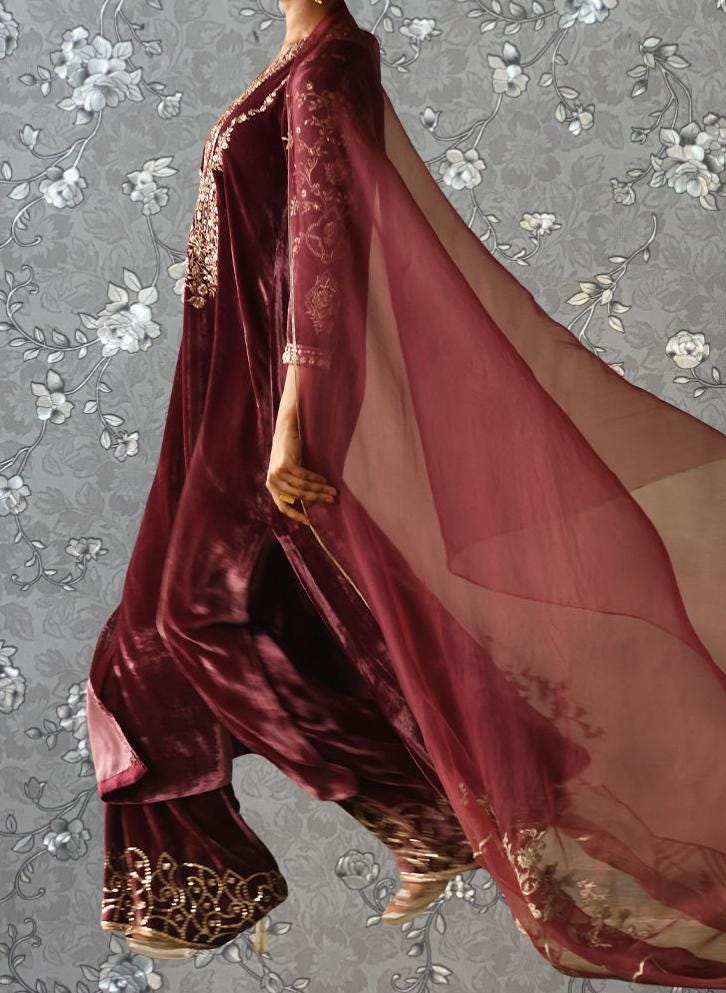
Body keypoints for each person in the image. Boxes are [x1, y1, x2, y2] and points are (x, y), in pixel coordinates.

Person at [85, 0, 726, 983]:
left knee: (194, 614)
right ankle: (500, 768)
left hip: (273, 396)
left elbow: (325, 242)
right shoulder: (293, 59)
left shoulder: (330, 62)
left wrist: (296, 418)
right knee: (139, 648)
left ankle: (424, 816)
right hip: (223, 391)